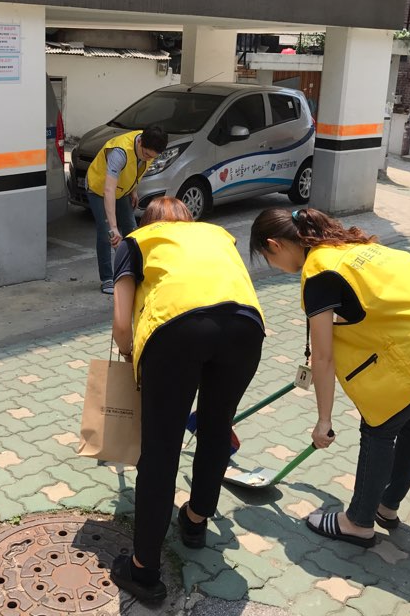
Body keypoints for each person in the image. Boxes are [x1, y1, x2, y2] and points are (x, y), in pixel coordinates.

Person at [250, 207, 410, 548]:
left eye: (268, 258)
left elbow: (324, 358)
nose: (273, 266)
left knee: (379, 427)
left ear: (275, 245)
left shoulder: (318, 273)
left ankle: (358, 522)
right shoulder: (349, 247)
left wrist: (324, 421)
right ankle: (386, 507)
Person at [108, 197, 266, 602]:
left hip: (177, 330)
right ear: (188, 219)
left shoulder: (136, 242)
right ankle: (195, 521)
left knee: (161, 450)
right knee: (216, 427)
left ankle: (143, 570)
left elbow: (122, 324)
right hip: (246, 327)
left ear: (149, 221)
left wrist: (128, 354)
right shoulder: (218, 236)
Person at [86, 125, 168, 295]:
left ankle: (132, 271)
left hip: (122, 189)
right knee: (107, 233)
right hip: (99, 188)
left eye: (152, 157)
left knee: (132, 230)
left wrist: (133, 190)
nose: (148, 158)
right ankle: (107, 278)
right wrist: (114, 227)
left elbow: (136, 168)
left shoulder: (149, 147)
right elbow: (108, 190)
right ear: (140, 143)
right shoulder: (120, 153)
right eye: (146, 154)